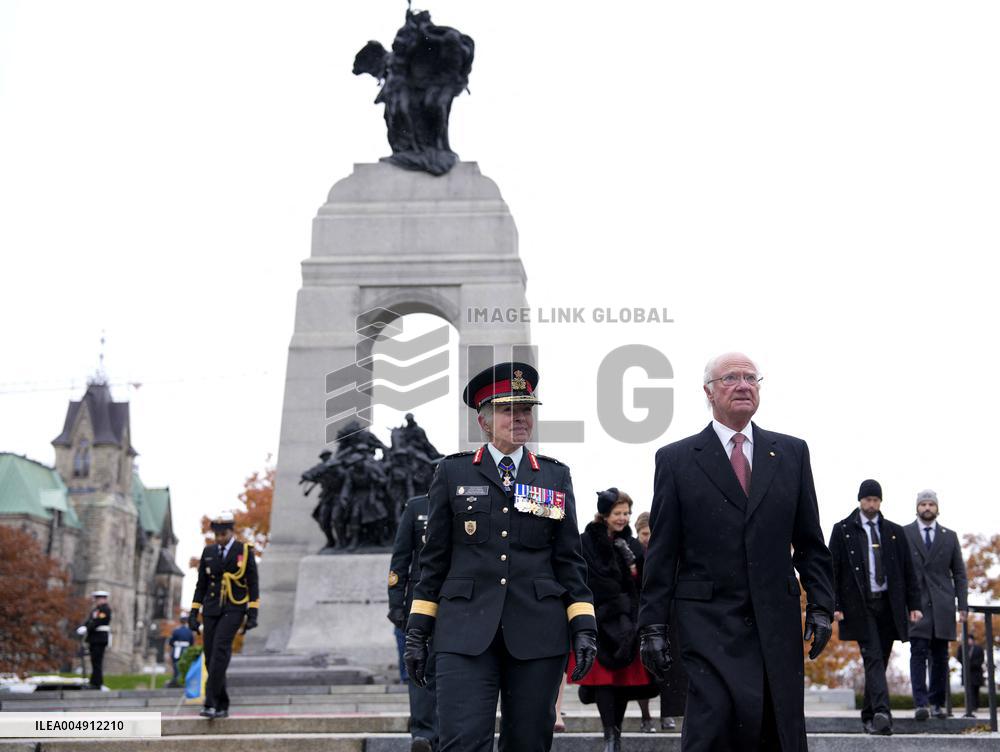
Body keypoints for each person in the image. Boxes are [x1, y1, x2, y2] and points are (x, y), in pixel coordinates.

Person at [639, 352, 835, 752]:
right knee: (715, 730)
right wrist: (653, 626)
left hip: (775, 624)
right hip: (708, 624)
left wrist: (820, 605)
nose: (744, 385)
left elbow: (810, 541)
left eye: (751, 378)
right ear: (709, 392)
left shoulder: (792, 454)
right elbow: (662, 551)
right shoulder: (676, 460)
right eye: (731, 378)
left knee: (774, 731)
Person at [404, 362, 598, 752]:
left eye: (526, 409)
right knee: (462, 742)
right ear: (484, 421)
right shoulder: (453, 473)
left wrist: (584, 626)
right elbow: (434, 561)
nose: (521, 418)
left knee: (529, 742)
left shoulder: (554, 476)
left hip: (539, 633)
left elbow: (569, 561)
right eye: (509, 410)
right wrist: (417, 632)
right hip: (463, 632)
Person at [829, 480, 922, 735]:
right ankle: (882, 713)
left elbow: (908, 570)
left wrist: (914, 604)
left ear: (881, 501)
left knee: (880, 660)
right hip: (859, 604)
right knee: (872, 656)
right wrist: (833, 605)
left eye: (876, 500)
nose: (872, 504)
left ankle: (869, 716)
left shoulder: (894, 531)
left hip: (889, 605)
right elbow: (832, 569)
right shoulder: (843, 530)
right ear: (860, 500)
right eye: (868, 499)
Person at [568, 487, 656, 751]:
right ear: (605, 514)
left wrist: (634, 569)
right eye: (618, 513)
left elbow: (643, 582)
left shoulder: (630, 544)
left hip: (627, 622)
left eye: (627, 513)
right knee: (603, 681)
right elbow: (585, 578)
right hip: (597, 619)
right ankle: (609, 736)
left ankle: (615, 735)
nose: (623, 518)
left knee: (622, 683)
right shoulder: (586, 541)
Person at [903, 489, 968, 720]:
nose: (927, 508)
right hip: (916, 604)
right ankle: (921, 703)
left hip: (943, 605)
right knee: (918, 652)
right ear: (917, 507)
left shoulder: (949, 536)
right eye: (923, 504)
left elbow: (959, 573)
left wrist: (963, 606)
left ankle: (937, 703)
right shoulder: (904, 533)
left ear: (937, 508)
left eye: (931, 504)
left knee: (941, 656)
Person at [189, 511, 259, 719]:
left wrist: (252, 613)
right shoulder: (209, 552)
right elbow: (201, 585)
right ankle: (222, 703)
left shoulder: (244, 551)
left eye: (223, 534)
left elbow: (252, 583)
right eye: (216, 535)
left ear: (231, 532)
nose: (219, 538)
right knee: (211, 656)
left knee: (220, 648)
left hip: (234, 607)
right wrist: (194, 612)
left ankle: (210, 701)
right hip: (211, 609)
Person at [388, 493, 437, 752]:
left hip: (459, 599)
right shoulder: (417, 507)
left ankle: (447, 732)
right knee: (420, 668)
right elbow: (400, 559)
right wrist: (396, 603)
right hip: (419, 600)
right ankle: (424, 735)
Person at [632, 511, 682, 733]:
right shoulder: (633, 552)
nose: (649, 538)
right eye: (644, 534)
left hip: (667, 614)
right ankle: (646, 716)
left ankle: (667, 714)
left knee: (667, 670)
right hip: (639, 613)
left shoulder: (668, 549)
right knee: (645, 674)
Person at [77, 590, 111, 689]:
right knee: (94, 661)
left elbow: (98, 622)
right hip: (94, 638)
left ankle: (97, 683)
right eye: (96, 599)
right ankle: (94, 682)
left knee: (97, 662)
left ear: (104, 599)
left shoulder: (105, 610)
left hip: (100, 639)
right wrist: (83, 626)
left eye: (98, 599)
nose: (97, 601)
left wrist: (87, 628)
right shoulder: (96, 610)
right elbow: (90, 620)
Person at [956, 631, 985, 714]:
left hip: (976, 673)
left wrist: (971, 664)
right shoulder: (961, 647)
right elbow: (959, 658)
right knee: (969, 690)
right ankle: (970, 706)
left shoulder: (978, 648)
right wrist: (966, 664)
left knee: (975, 690)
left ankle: (975, 706)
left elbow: (981, 660)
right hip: (966, 672)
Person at [167, 613, 195, 688]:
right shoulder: (189, 631)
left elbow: (171, 642)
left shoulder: (176, 631)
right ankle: (181, 681)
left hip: (177, 650)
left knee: (176, 665)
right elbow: (192, 643)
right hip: (185, 650)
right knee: (183, 666)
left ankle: (177, 680)